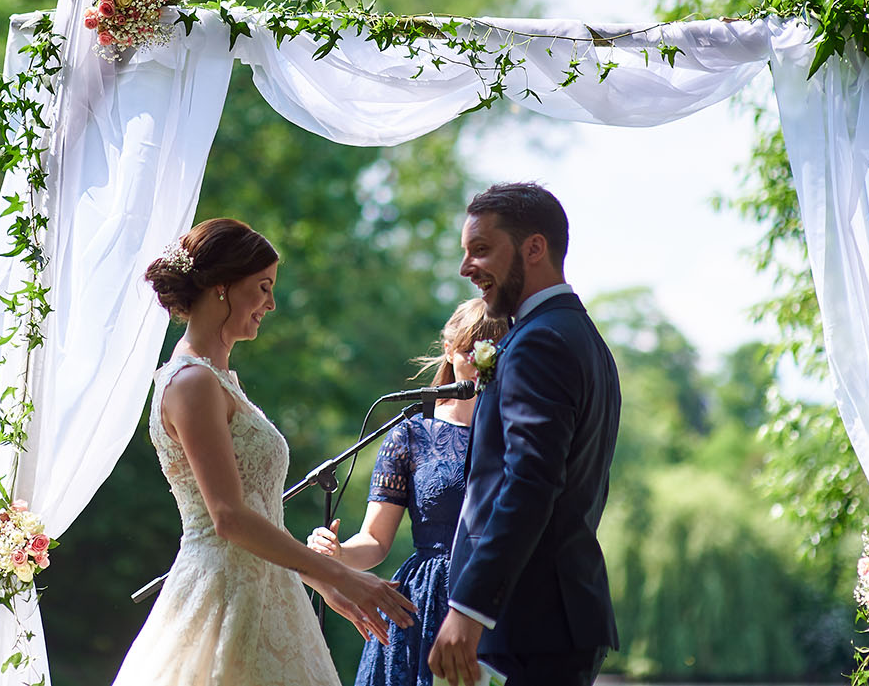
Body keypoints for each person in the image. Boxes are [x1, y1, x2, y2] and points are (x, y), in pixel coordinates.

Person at [111, 218, 416, 686]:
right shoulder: (191, 383)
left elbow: (261, 518)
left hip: (270, 595)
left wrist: (320, 581)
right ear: (221, 287)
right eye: (263, 287)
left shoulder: (221, 381)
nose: (271, 304)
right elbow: (229, 518)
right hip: (224, 598)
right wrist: (346, 577)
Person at [428, 183, 621, 686]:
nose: (466, 268)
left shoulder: (541, 343)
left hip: (534, 622)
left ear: (534, 248)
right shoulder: (580, 337)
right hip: (552, 618)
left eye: (482, 250)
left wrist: (470, 607)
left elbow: (530, 482)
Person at [306, 298, 509, 686]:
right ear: (449, 350)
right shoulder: (411, 433)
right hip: (426, 602)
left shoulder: (520, 431)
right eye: (475, 349)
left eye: (498, 348)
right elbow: (375, 540)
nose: (487, 360)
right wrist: (339, 554)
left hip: (498, 593)